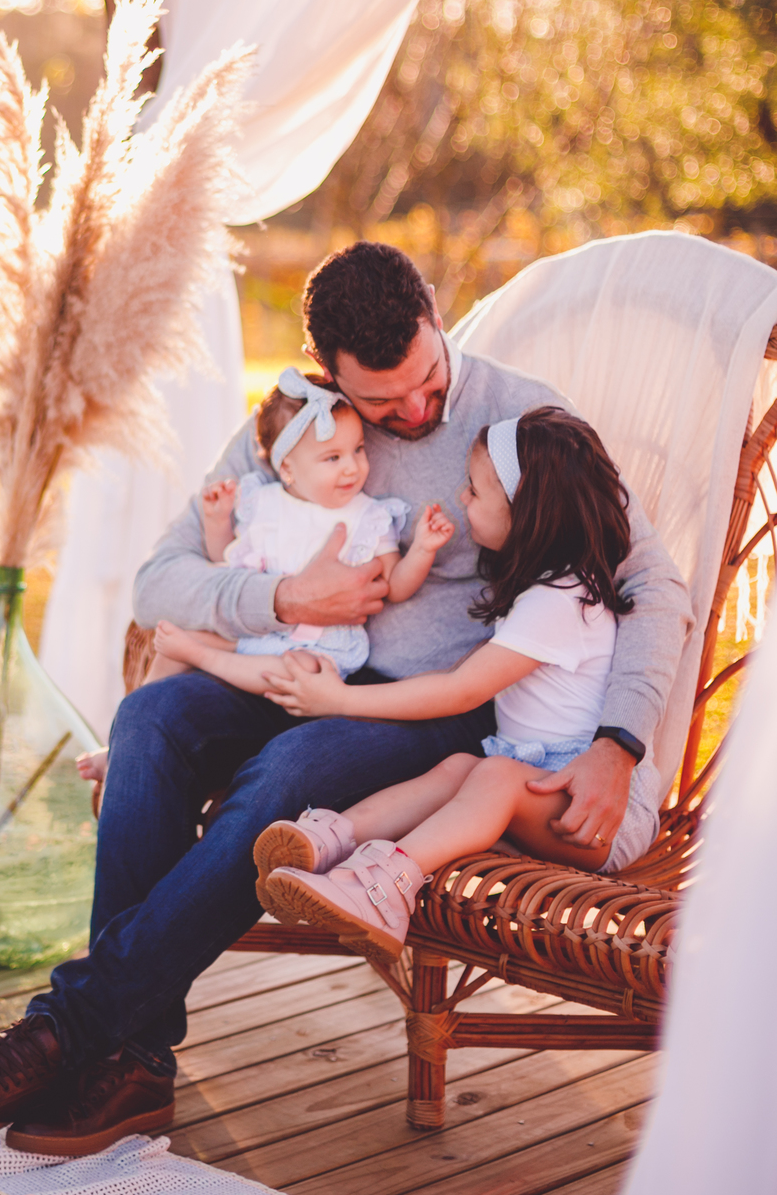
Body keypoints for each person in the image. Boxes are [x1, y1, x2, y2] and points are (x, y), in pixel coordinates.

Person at [0, 241, 691, 1160]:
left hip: (429, 708)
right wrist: (283, 600)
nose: (414, 410)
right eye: (381, 402)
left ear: (437, 312)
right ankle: (133, 1062)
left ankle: (71, 1034)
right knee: (149, 721)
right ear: (328, 375)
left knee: (287, 775)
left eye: (426, 380)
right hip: (292, 662)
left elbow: (653, 586)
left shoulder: (517, 420)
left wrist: (619, 740)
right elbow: (160, 582)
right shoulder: (296, 419)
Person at [254, 406, 663, 956]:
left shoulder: (560, 602)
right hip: (539, 785)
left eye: (473, 489)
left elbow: (461, 690)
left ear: (524, 512)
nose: (462, 498)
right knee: (461, 769)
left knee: (490, 774)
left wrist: (339, 698)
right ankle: (336, 839)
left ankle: (386, 886)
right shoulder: (549, 588)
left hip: (592, 812)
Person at [75, 367, 454, 782]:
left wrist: (421, 549)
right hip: (256, 630)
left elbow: (396, 586)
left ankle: (202, 658)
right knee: (170, 643)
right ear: (288, 468)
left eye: (358, 450)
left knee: (290, 671)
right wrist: (218, 520)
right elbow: (230, 561)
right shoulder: (264, 504)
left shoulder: (367, 517)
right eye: (333, 458)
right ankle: (122, 748)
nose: (352, 468)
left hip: (316, 648)